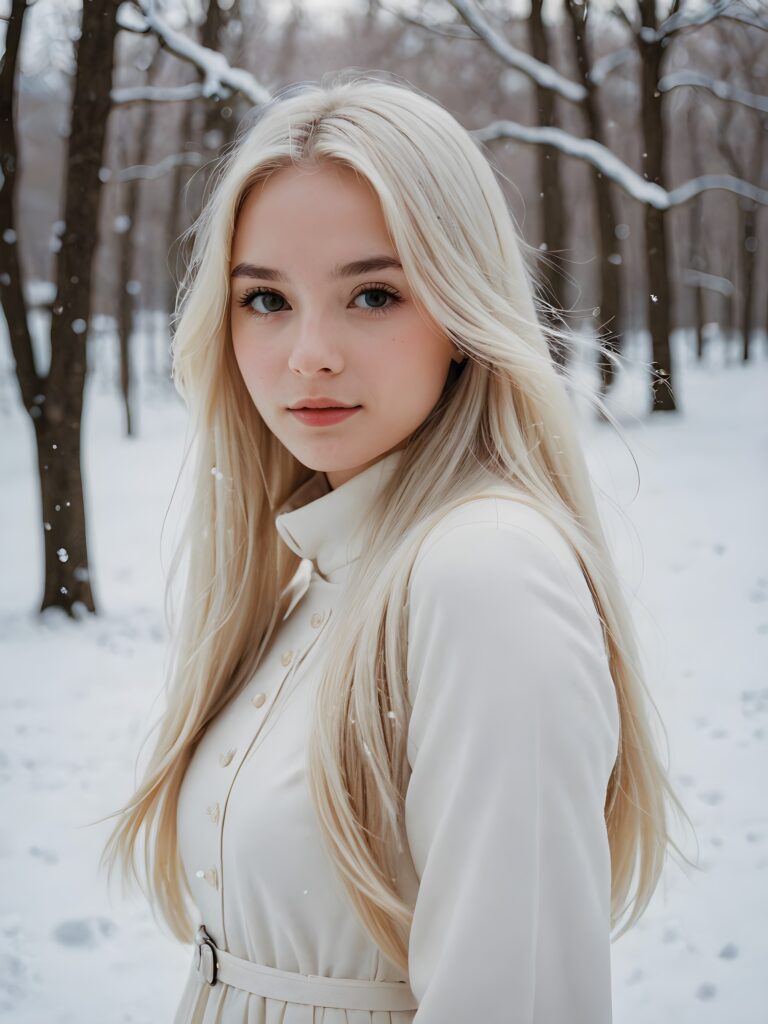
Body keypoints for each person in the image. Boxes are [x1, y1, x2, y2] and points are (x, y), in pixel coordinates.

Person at [100, 72, 694, 1023]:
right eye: (265, 301)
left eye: (373, 295)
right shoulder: (325, 566)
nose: (309, 354)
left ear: (461, 314)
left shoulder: (485, 574)